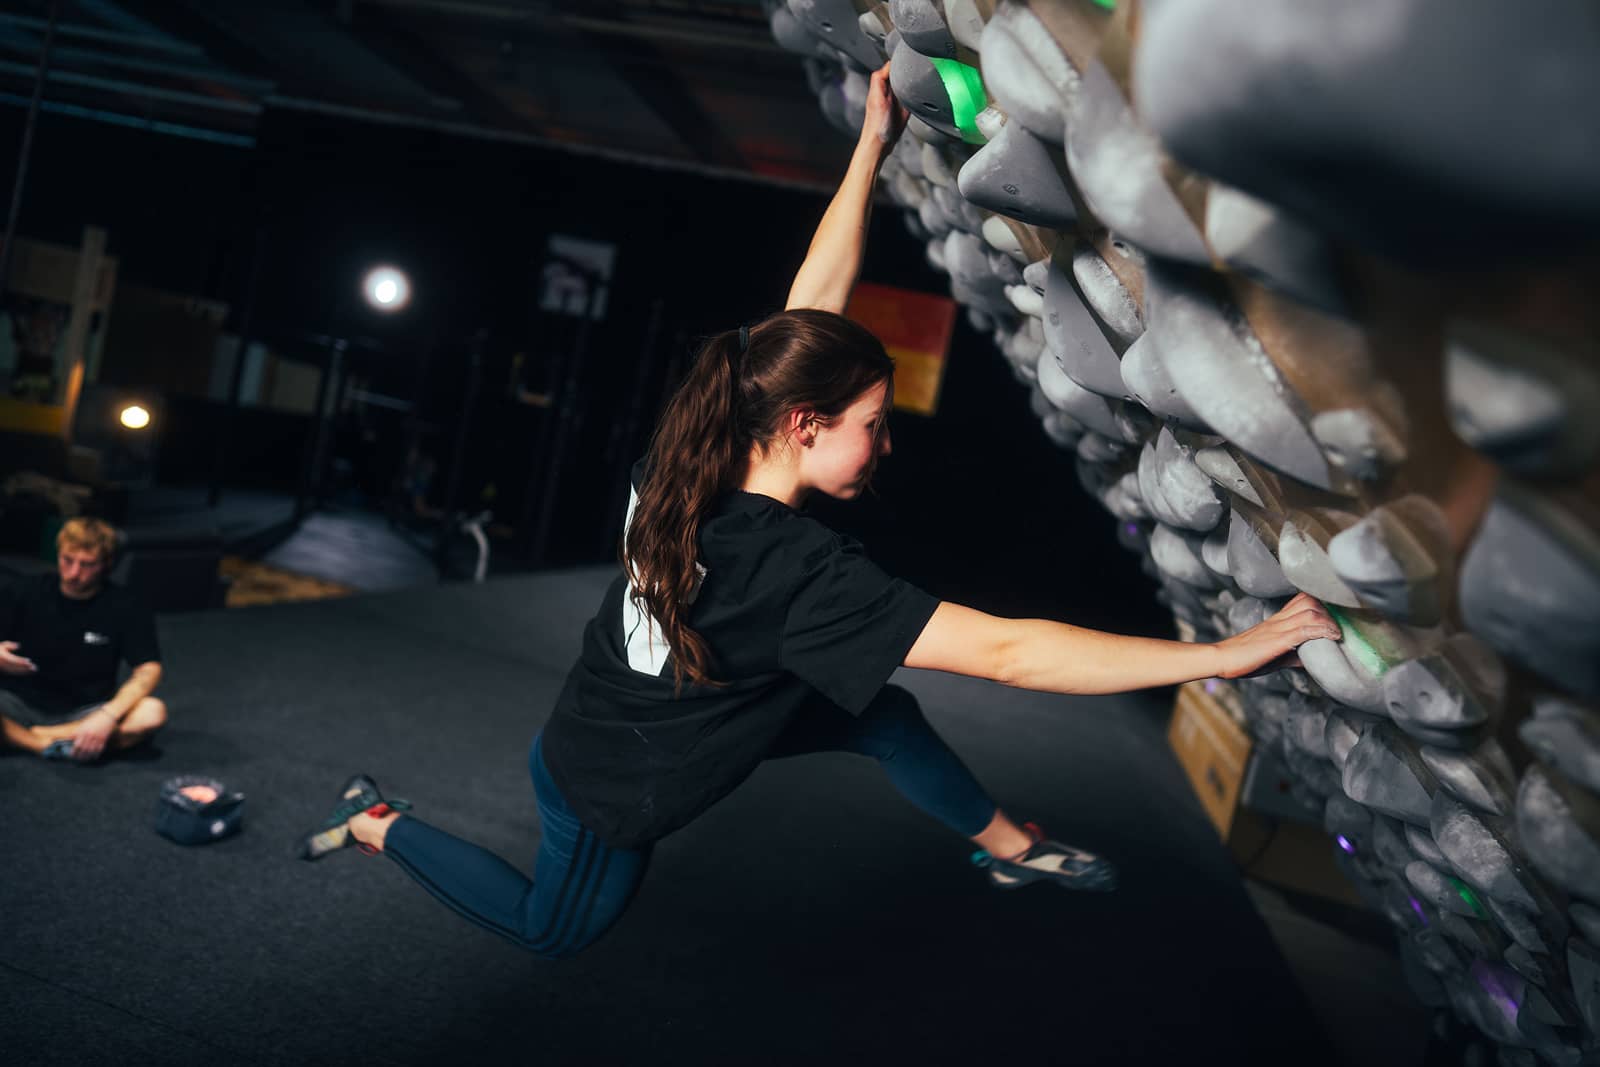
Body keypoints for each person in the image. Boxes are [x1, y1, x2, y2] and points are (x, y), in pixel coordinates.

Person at [296, 64, 1341, 959]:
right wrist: (1228, 652)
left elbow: (813, 299)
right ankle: (380, 821)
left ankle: (1009, 845)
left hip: (680, 693)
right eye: (874, 424)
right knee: (551, 930)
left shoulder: (700, 431)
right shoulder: (791, 571)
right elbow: (1015, 654)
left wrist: (870, 148)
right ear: (801, 425)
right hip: (611, 774)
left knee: (877, 711)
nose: (886, 444)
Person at [0, 516, 168, 760]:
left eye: (87, 565)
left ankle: (31, 737)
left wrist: (107, 716)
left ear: (106, 564)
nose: (73, 573)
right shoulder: (24, 590)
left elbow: (149, 668)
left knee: (152, 712)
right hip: (16, 701)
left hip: (85, 710)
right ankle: (41, 744)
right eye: (67, 560)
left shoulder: (126, 605)